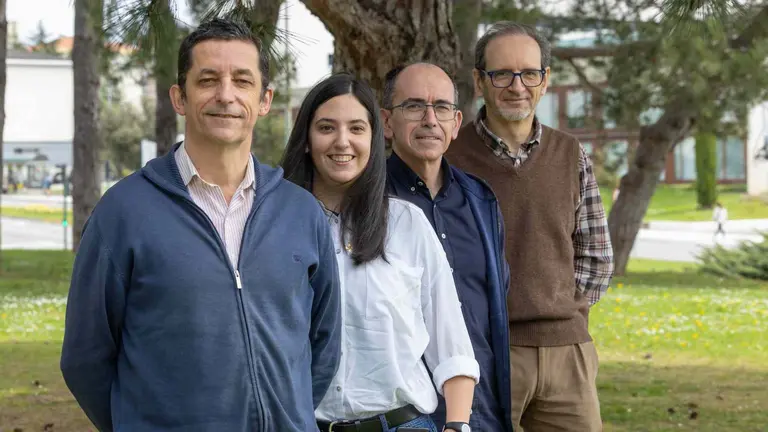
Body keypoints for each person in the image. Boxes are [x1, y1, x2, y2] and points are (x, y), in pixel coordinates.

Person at [60, 19, 342, 431]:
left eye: (242, 81)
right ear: (180, 97)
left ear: (264, 100)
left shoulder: (301, 212)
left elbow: (325, 343)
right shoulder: (124, 211)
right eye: (207, 80)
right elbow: (86, 357)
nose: (225, 95)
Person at [280, 73, 479, 432]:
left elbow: (452, 345)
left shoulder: (407, 224)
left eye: (357, 128)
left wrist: (457, 426)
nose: (343, 142)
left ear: (373, 138)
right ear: (307, 139)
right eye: (326, 128)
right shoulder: (275, 227)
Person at [445, 21, 615, 431]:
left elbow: (597, 255)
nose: (516, 85)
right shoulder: (450, 159)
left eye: (529, 73)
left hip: (567, 353)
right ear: (479, 82)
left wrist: (562, 309)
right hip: (483, 352)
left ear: (545, 80)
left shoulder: (570, 153)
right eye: (502, 73)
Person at [381, 63, 513, 432]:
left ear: (456, 123)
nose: (429, 119)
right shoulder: (368, 205)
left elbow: (495, 302)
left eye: (440, 107)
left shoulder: (480, 200)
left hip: (484, 407)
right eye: (413, 106)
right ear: (387, 122)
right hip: (409, 415)